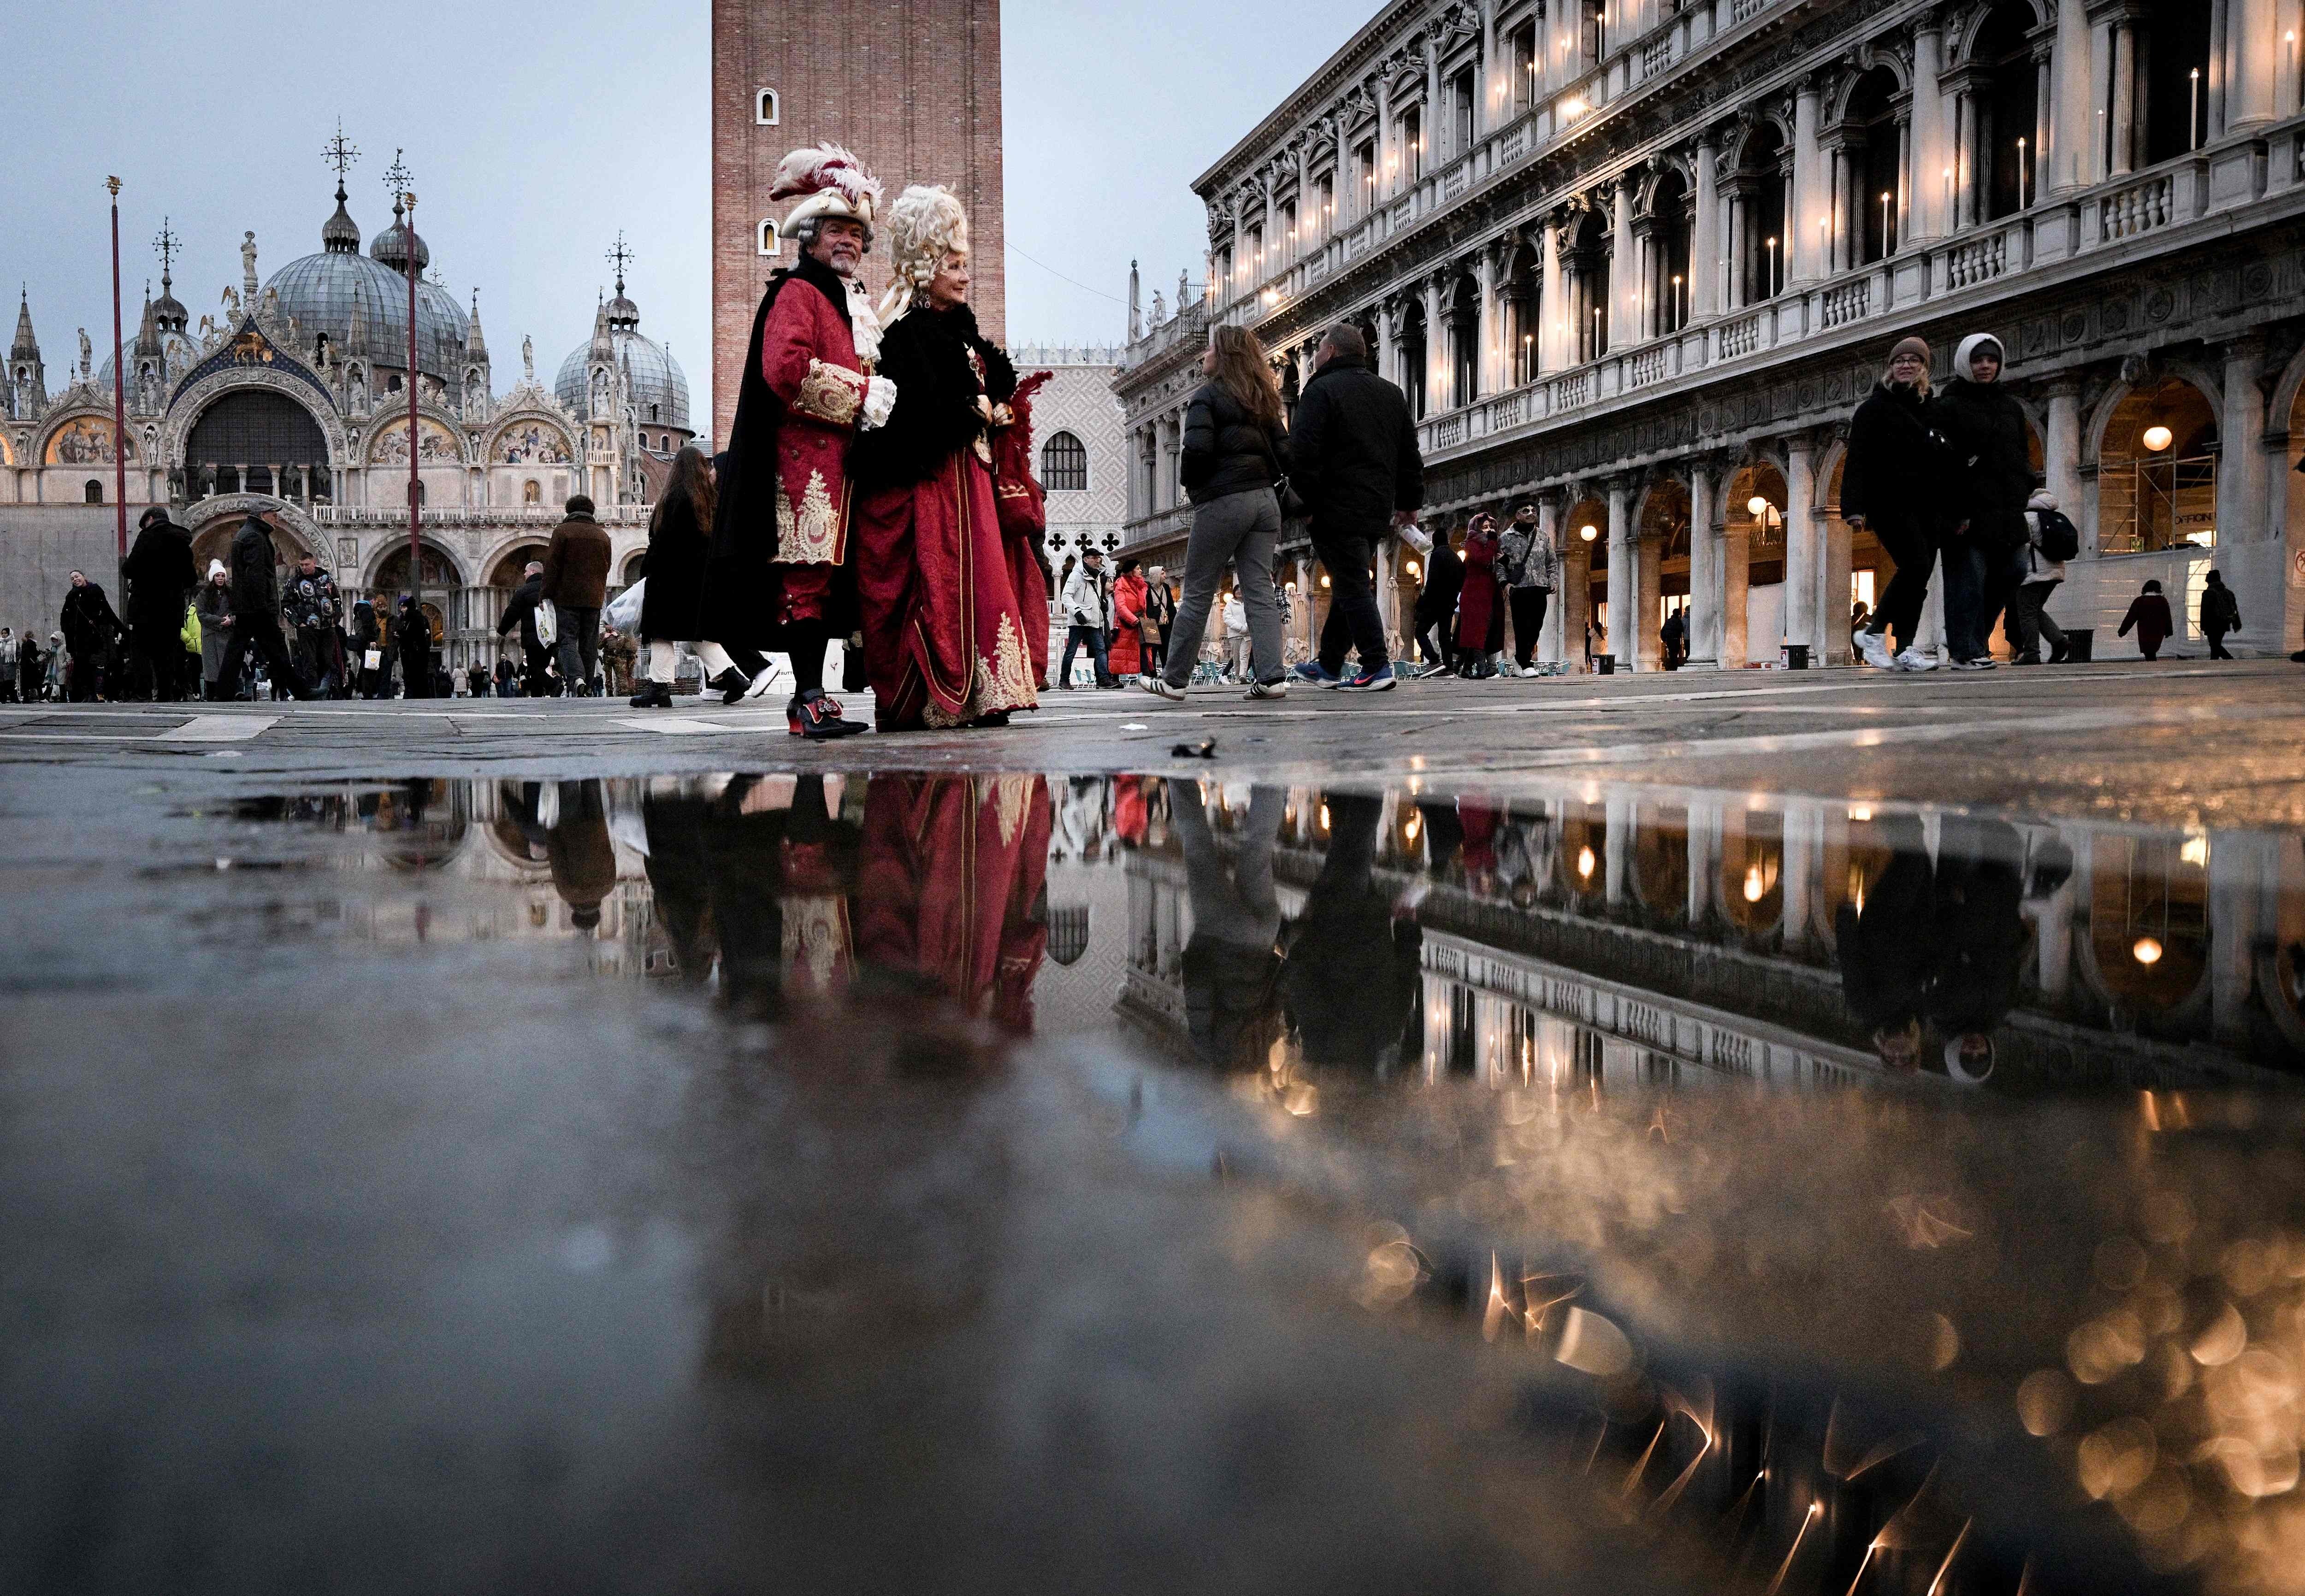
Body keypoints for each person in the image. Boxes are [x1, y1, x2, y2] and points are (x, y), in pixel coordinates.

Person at [706, 141, 890, 738]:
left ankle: (816, 696)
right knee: (804, 581)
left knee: (824, 581)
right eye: (838, 229)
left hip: (840, 470)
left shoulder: (844, 298)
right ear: (810, 236)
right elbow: (784, 371)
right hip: (802, 469)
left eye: (859, 235)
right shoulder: (797, 292)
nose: (850, 242)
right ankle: (807, 700)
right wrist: (861, 394)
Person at [849, 183, 1041, 730]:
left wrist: (989, 403)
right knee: (942, 583)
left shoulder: (960, 330)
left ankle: (985, 691)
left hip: (969, 482)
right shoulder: (907, 336)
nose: (963, 275)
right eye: (954, 265)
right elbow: (922, 413)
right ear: (927, 267)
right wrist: (975, 408)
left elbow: (994, 375)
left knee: (981, 581)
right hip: (937, 486)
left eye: (964, 265)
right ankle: (938, 694)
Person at [1145, 324, 1292, 702]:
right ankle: (1273, 677)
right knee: (1260, 589)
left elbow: (1195, 453)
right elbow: (1286, 454)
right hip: (1265, 503)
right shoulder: (1264, 400)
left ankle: (1174, 680)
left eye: (1209, 350)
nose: (1203, 356)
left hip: (1225, 500)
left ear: (1223, 357)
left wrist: (1195, 490)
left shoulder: (1206, 398)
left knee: (1196, 591)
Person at [1288, 322, 1422, 693]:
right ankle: (1329, 664)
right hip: (1375, 509)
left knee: (1352, 585)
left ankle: (1377, 664)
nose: (1315, 357)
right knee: (1352, 580)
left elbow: (1303, 455)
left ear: (1330, 353)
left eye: (1318, 351)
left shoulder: (1320, 391)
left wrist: (1306, 506)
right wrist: (1409, 504)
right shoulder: (1391, 393)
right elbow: (1410, 457)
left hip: (1333, 507)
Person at [633, 446, 785, 709]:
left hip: (668, 578)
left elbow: (662, 543)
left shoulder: (674, 498)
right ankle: (732, 676)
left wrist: (647, 570)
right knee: (694, 633)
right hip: (697, 578)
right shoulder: (708, 502)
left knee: (659, 632)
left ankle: (659, 687)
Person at [1843, 336, 1952, 671]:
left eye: (1914, 360)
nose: (1906, 365)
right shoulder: (1874, 408)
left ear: (1924, 367)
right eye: (1900, 360)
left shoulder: (1934, 408)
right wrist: (1854, 507)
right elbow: (1857, 458)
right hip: (1888, 500)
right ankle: (1874, 632)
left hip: (1928, 504)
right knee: (1916, 564)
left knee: (1918, 578)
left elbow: (1947, 457)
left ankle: (1905, 648)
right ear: (1890, 368)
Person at [1933, 332, 2033, 671]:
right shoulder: (1949, 405)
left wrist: (2024, 488)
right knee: (1968, 581)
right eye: (1978, 360)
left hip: (2007, 509)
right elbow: (1942, 462)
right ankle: (1966, 650)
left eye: (1991, 360)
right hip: (1968, 509)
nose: (1986, 366)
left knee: (2015, 570)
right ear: (1965, 363)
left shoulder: (2011, 406)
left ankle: (1973, 637)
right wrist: (1955, 509)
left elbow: (2021, 452)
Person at [214, 517, 314, 700]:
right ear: (262, 515)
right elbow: (256, 573)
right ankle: (301, 691)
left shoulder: (247, 534)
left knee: (241, 649)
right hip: (257, 606)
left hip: (248, 605)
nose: (276, 519)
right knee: (277, 649)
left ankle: (222, 693)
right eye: (273, 514)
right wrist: (263, 604)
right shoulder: (255, 537)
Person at [123, 507, 198, 701]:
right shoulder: (182, 542)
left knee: (140, 649)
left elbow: (130, 569)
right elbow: (191, 579)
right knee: (167, 652)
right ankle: (166, 693)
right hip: (172, 608)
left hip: (145, 606)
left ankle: (143, 692)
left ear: (150, 520)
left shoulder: (146, 537)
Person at [540, 494, 610, 696]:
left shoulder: (562, 532)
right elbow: (607, 566)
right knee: (589, 643)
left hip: (567, 597)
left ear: (569, 511)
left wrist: (545, 595)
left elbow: (552, 566)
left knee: (567, 640)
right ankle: (586, 686)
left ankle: (577, 677)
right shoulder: (603, 535)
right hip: (594, 598)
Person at [2004, 491, 2071, 664]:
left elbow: (2020, 546)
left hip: (2033, 572)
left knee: (2026, 613)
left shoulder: (2027, 518)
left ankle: (2032, 653)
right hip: (2056, 570)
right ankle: (2059, 642)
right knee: (2035, 610)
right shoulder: (2055, 516)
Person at [1498, 502, 1558, 676]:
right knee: (1521, 627)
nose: (1531, 514)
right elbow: (1500, 564)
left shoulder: (1542, 536)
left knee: (1536, 626)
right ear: (1518, 515)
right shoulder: (1506, 538)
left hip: (1540, 586)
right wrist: (1505, 584)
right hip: (1519, 588)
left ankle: (1520, 658)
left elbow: (1551, 561)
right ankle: (1524, 663)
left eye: (1534, 511)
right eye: (1526, 511)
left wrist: (1553, 580)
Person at [279, 550, 343, 698]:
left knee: (327, 660)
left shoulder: (327, 580)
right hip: (307, 628)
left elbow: (337, 600)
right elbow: (286, 605)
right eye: (301, 565)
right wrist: (298, 622)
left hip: (328, 627)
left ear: (314, 563)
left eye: (307, 564)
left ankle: (325, 690)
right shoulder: (294, 583)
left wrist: (336, 619)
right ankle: (313, 691)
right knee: (310, 661)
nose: (304, 567)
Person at [1409, 523, 1466, 677]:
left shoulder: (1437, 555)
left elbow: (1432, 581)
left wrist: (1422, 601)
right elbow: (1462, 581)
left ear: (1434, 541)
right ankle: (1448, 668)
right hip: (1450, 603)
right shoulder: (1456, 557)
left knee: (1420, 632)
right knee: (1445, 635)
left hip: (1435, 603)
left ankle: (1434, 661)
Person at [59, 570, 122, 701]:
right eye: (72, 578)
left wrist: (122, 629)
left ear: (84, 577)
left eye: (77, 576)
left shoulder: (95, 590)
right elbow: (65, 618)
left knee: (98, 666)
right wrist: (69, 638)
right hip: (80, 638)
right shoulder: (72, 596)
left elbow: (107, 611)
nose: (75, 579)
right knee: (83, 668)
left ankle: (99, 693)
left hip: (96, 636)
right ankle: (88, 694)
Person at [1454, 512, 1503, 678]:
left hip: (1490, 591)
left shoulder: (1492, 545)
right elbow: (1482, 559)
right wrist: (1492, 543)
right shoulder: (1472, 543)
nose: (1489, 530)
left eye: (1491, 527)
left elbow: (1500, 561)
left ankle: (1467, 668)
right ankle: (1481, 669)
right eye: (1485, 527)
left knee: (1485, 630)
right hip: (1475, 592)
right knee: (1475, 630)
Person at [496, 560, 556, 695]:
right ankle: (537, 697)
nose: (524, 574)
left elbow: (512, 613)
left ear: (533, 572)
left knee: (534, 669)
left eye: (526, 571)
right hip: (550, 636)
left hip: (532, 637)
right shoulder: (552, 590)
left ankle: (554, 685)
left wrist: (502, 631)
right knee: (540, 668)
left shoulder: (524, 591)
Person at [1058, 546, 1113, 688]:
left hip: (1094, 620)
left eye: (1099, 558)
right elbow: (1066, 596)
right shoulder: (1076, 575)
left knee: (1101, 649)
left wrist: (1102, 604)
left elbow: (1094, 596)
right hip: (1079, 620)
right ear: (1086, 559)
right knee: (1072, 650)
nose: (1098, 561)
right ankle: (1064, 680)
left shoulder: (1097, 576)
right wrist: (1077, 612)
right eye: (1094, 558)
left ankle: (1104, 679)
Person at [197, 560, 235, 700]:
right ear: (212, 577)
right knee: (212, 669)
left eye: (222, 576)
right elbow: (201, 614)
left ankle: (229, 694)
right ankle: (212, 694)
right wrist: (220, 621)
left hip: (227, 634)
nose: (220, 578)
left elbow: (239, 610)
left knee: (227, 666)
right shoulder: (204, 595)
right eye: (218, 576)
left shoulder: (232, 594)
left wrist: (232, 619)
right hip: (211, 635)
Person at [1108, 555, 1148, 683]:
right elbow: (1120, 606)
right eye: (1138, 569)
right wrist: (1133, 619)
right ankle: (1116, 677)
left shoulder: (1141, 586)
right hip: (1125, 624)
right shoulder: (1121, 584)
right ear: (1131, 571)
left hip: (1140, 623)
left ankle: (1148, 676)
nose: (1141, 571)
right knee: (1120, 652)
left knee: (1143, 650)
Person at [2117, 578, 2175, 660]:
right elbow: (2167, 618)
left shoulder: (2139, 601)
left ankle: (2151, 668)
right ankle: (2152, 668)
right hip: (2158, 631)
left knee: (2148, 652)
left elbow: (2130, 618)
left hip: (2144, 631)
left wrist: (2122, 631)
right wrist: (2169, 631)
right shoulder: (2162, 601)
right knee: (2152, 651)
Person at [395, 595, 432, 697]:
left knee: (414, 674)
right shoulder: (406, 619)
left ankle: (413, 694)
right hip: (411, 651)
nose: (402, 610)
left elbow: (416, 635)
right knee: (413, 674)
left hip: (414, 652)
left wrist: (401, 634)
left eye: (404, 607)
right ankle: (415, 693)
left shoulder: (415, 618)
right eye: (401, 607)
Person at [2200, 569, 2241, 660]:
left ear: (2209, 581)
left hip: (2212, 624)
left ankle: (2229, 660)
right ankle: (2215, 662)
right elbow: (2235, 609)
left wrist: (2203, 627)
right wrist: (2236, 624)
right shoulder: (2229, 593)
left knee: (2214, 645)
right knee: (2216, 645)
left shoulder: (2208, 593)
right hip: (2225, 623)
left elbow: (2205, 612)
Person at [1141, 567, 1174, 680]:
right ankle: (1152, 674)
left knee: (1166, 651)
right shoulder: (1147, 589)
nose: (1165, 576)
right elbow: (1146, 607)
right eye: (1162, 574)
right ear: (1156, 575)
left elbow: (1170, 606)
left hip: (1165, 625)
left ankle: (1167, 675)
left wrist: (1173, 622)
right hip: (1151, 624)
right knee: (1152, 651)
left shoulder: (1166, 587)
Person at [598, 625, 636, 696]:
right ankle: (610, 692)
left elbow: (624, 643)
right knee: (609, 677)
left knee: (621, 676)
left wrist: (617, 636)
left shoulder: (618, 634)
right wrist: (605, 639)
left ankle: (624, 692)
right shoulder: (603, 635)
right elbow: (599, 647)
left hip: (617, 658)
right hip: (609, 658)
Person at [1660, 603, 1688, 669]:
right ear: (1678, 614)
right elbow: (1681, 630)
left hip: (1670, 641)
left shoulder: (1668, 621)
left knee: (1672, 654)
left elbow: (1663, 631)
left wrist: (1665, 640)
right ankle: (1674, 667)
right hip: (1676, 640)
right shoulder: (1679, 621)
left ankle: (1672, 666)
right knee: (1675, 654)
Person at [0, 628, 15, 703]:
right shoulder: (1, 642)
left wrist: (13, 663)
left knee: (10, 684)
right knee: (2, 684)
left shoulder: (14, 643)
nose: (4, 635)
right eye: (2, 633)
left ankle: (14, 699)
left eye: (5, 633)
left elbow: (18, 654)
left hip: (10, 667)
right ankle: (3, 699)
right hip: (2, 667)